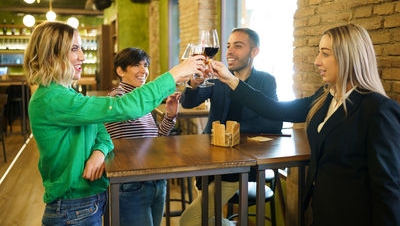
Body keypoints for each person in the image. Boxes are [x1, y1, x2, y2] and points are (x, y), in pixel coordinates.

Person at [211, 24, 400, 226]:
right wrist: (231, 80)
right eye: (319, 53)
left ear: (348, 57)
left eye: (325, 54)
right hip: (323, 211)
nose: (317, 61)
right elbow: (275, 109)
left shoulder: (378, 109)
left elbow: (387, 189)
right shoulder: (326, 97)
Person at [24, 21, 205, 226]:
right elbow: (125, 107)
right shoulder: (52, 98)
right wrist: (174, 74)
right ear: (51, 55)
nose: (82, 56)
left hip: (84, 203)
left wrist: (99, 152)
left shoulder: (65, 93)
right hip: (71, 207)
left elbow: (103, 131)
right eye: (74, 49)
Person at [179, 28, 282, 226]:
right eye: (228, 46)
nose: (229, 51)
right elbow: (188, 103)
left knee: (189, 221)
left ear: (254, 52)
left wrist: (230, 132)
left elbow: (274, 123)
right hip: (207, 160)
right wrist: (193, 84)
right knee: (206, 218)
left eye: (238, 45)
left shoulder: (266, 81)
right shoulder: (218, 78)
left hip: (239, 164)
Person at [104, 47, 180, 226]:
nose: (144, 71)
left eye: (145, 65)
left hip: (155, 179)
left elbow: (156, 139)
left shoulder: (141, 101)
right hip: (132, 183)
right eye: (136, 65)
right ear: (120, 71)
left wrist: (169, 115)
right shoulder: (118, 98)